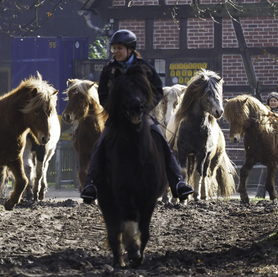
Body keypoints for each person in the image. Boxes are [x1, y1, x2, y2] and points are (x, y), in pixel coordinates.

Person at [79, 29, 194, 204]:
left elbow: (156, 90)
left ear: (130, 49)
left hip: (141, 114)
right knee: (101, 144)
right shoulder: (109, 70)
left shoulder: (146, 68)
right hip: (118, 117)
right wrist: (116, 109)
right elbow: (103, 95)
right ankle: (91, 185)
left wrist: (144, 108)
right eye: (114, 48)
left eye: (119, 48)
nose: (116, 51)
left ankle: (178, 183)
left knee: (162, 143)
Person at [255, 92, 278, 198]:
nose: (272, 102)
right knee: (265, 171)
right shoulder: (264, 114)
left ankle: (277, 194)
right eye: (271, 101)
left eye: (274, 101)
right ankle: (259, 194)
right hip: (268, 147)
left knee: (277, 171)